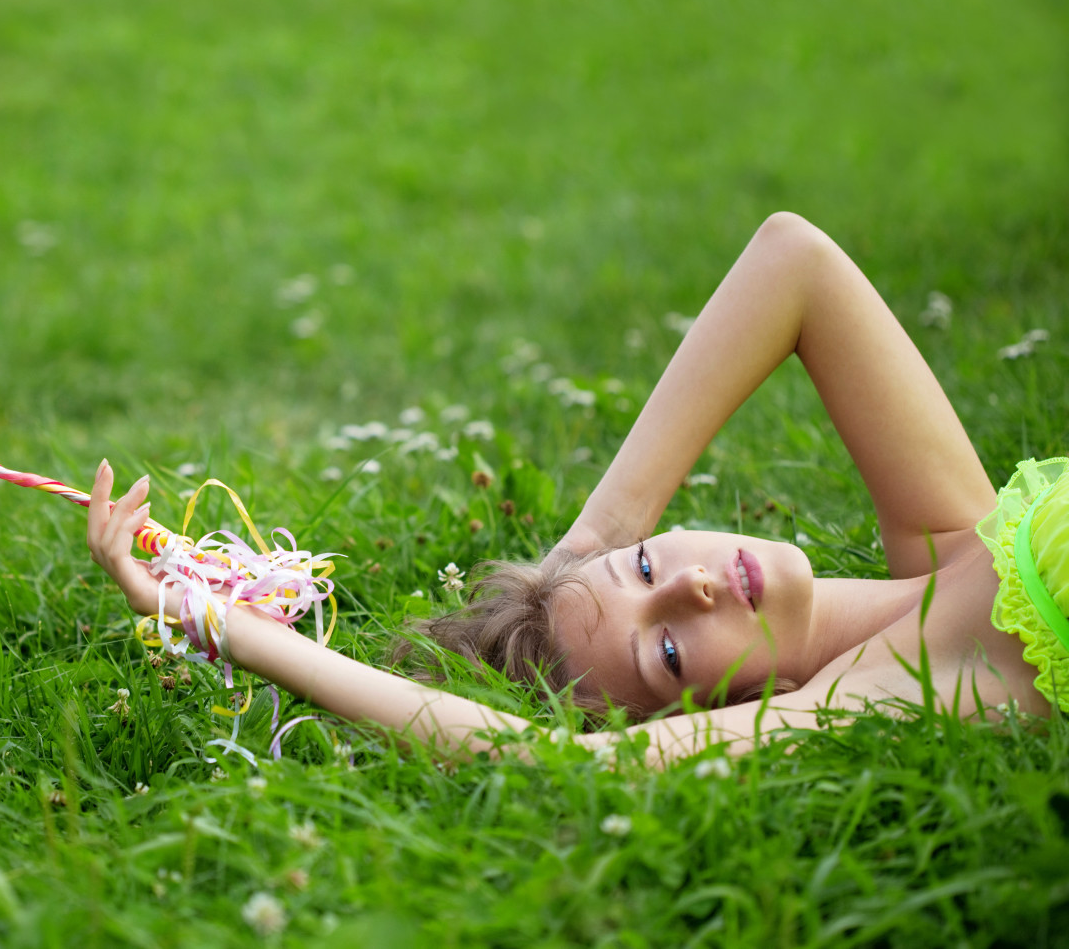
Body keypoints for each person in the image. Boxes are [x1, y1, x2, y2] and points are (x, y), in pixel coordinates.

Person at [87, 212, 1066, 767]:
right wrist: (226, 627)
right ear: (707, 717)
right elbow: (576, 765)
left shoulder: (947, 544)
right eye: (670, 647)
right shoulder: (908, 683)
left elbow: (793, 261)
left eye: (648, 567)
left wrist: (601, 531)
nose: (693, 586)